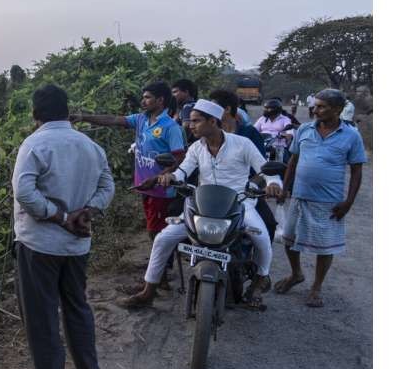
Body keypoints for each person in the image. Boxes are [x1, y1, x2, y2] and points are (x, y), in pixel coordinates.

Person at [116, 100, 284, 309]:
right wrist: (171, 177)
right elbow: (183, 170)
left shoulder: (243, 144)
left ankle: (259, 281)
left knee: (261, 237)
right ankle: (148, 292)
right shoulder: (196, 147)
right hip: (203, 203)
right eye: (190, 121)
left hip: (239, 202)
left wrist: (274, 184)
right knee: (163, 238)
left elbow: (265, 170)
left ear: (212, 121)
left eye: (196, 121)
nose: (190, 125)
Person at [12, 84, 115, 369]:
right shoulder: (90, 146)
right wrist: (88, 212)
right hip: (76, 246)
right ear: (67, 111)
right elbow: (107, 186)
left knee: (41, 314)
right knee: (77, 307)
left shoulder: (34, 144)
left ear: (35, 113)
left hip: (39, 245)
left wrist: (60, 216)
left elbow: (24, 192)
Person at [71, 82, 185, 290]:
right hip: (145, 187)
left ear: (160, 100)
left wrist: (158, 177)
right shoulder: (141, 119)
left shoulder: (171, 127)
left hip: (161, 190)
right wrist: (83, 117)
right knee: (154, 231)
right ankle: (158, 275)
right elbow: (114, 120)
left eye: (148, 97)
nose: (143, 101)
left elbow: (179, 158)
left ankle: (158, 280)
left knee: (156, 233)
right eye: (143, 97)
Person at [274, 89, 366, 308]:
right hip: (299, 196)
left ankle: (316, 287)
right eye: (315, 105)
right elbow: (293, 161)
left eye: (322, 107)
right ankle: (296, 274)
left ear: (338, 109)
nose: (315, 110)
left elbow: (357, 171)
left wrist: (348, 202)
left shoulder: (351, 135)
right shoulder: (304, 130)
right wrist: (285, 189)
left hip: (328, 201)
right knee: (289, 238)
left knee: (325, 246)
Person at [209, 89, 278, 240]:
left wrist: (254, 185)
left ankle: (256, 256)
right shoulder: (209, 132)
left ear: (227, 109)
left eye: (214, 107)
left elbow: (261, 168)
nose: (210, 111)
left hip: (244, 193)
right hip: (212, 192)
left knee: (269, 224)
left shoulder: (249, 133)